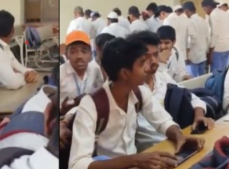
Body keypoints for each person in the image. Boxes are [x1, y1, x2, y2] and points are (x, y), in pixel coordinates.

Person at [69, 37, 205, 169]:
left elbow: (163, 121)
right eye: (141, 63)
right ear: (125, 74)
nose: (147, 68)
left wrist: (179, 136)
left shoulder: (140, 93)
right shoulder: (92, 105)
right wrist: (133, 160)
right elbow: (78, 164)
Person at [125, 31, 212, 152]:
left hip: (173, 141)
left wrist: (199, 116)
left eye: (156, 55)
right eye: (146, 57)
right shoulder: (130, 89)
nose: (154, 61)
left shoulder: (162, 77)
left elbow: (190, 98)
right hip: (150, 151)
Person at [60, 30, 104, 114]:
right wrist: (62, 110)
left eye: (84, 51)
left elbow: (100, 92)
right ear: (66, 55)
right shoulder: (60, 73)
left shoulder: (95, 69)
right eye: (73, 52)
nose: (79, 56)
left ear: (90, 54)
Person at [183, 1, 210, 77]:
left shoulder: (189, 22)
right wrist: (207, 50)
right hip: (203, 54)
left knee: (193, 79)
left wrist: (187, 52)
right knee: (203, 78)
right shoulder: (203, 20)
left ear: (187, 11)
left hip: (193, 55)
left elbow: (193, 38)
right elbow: (208, 37)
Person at [202, 0, 229, 72]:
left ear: (208, 7)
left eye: (204, 9)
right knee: (223, 72)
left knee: (216, 74)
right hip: (226, 47)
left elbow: (214, 34)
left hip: (217, 48)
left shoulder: (213, 15)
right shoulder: (224, 13)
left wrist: (210, 52)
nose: (205, 12)